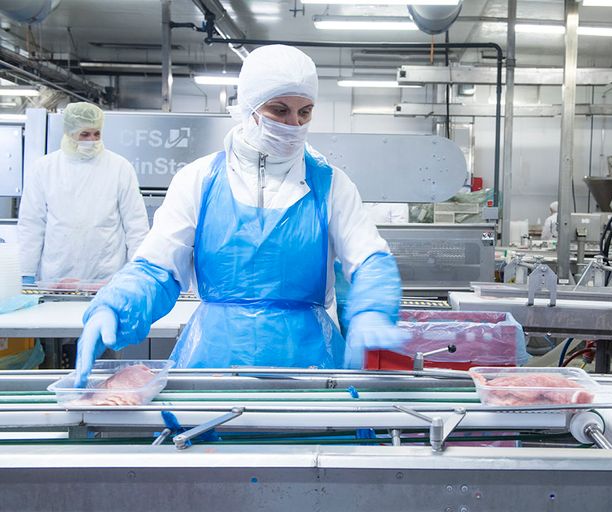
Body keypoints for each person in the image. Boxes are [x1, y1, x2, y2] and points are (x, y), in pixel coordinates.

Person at [74, 45, 407, 385]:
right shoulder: (198, 180)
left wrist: (373, 310)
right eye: (280, 110)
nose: (294, 124)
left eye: (304, 112)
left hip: (309, 364)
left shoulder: (331, 184)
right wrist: (114, 307)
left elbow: (369, 258)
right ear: (248, 108)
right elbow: (158, 268)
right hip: (215, 359)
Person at [17, 102, 149, 286]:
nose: (92, 140)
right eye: (85, 134)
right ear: (70, 133)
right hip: (56, 275)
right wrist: (26, 272)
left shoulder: (119, 167)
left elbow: (136, 225)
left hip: (107, 274)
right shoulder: (44, 168)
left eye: (97, 134)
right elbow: (31, 224)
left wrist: (138, 271)